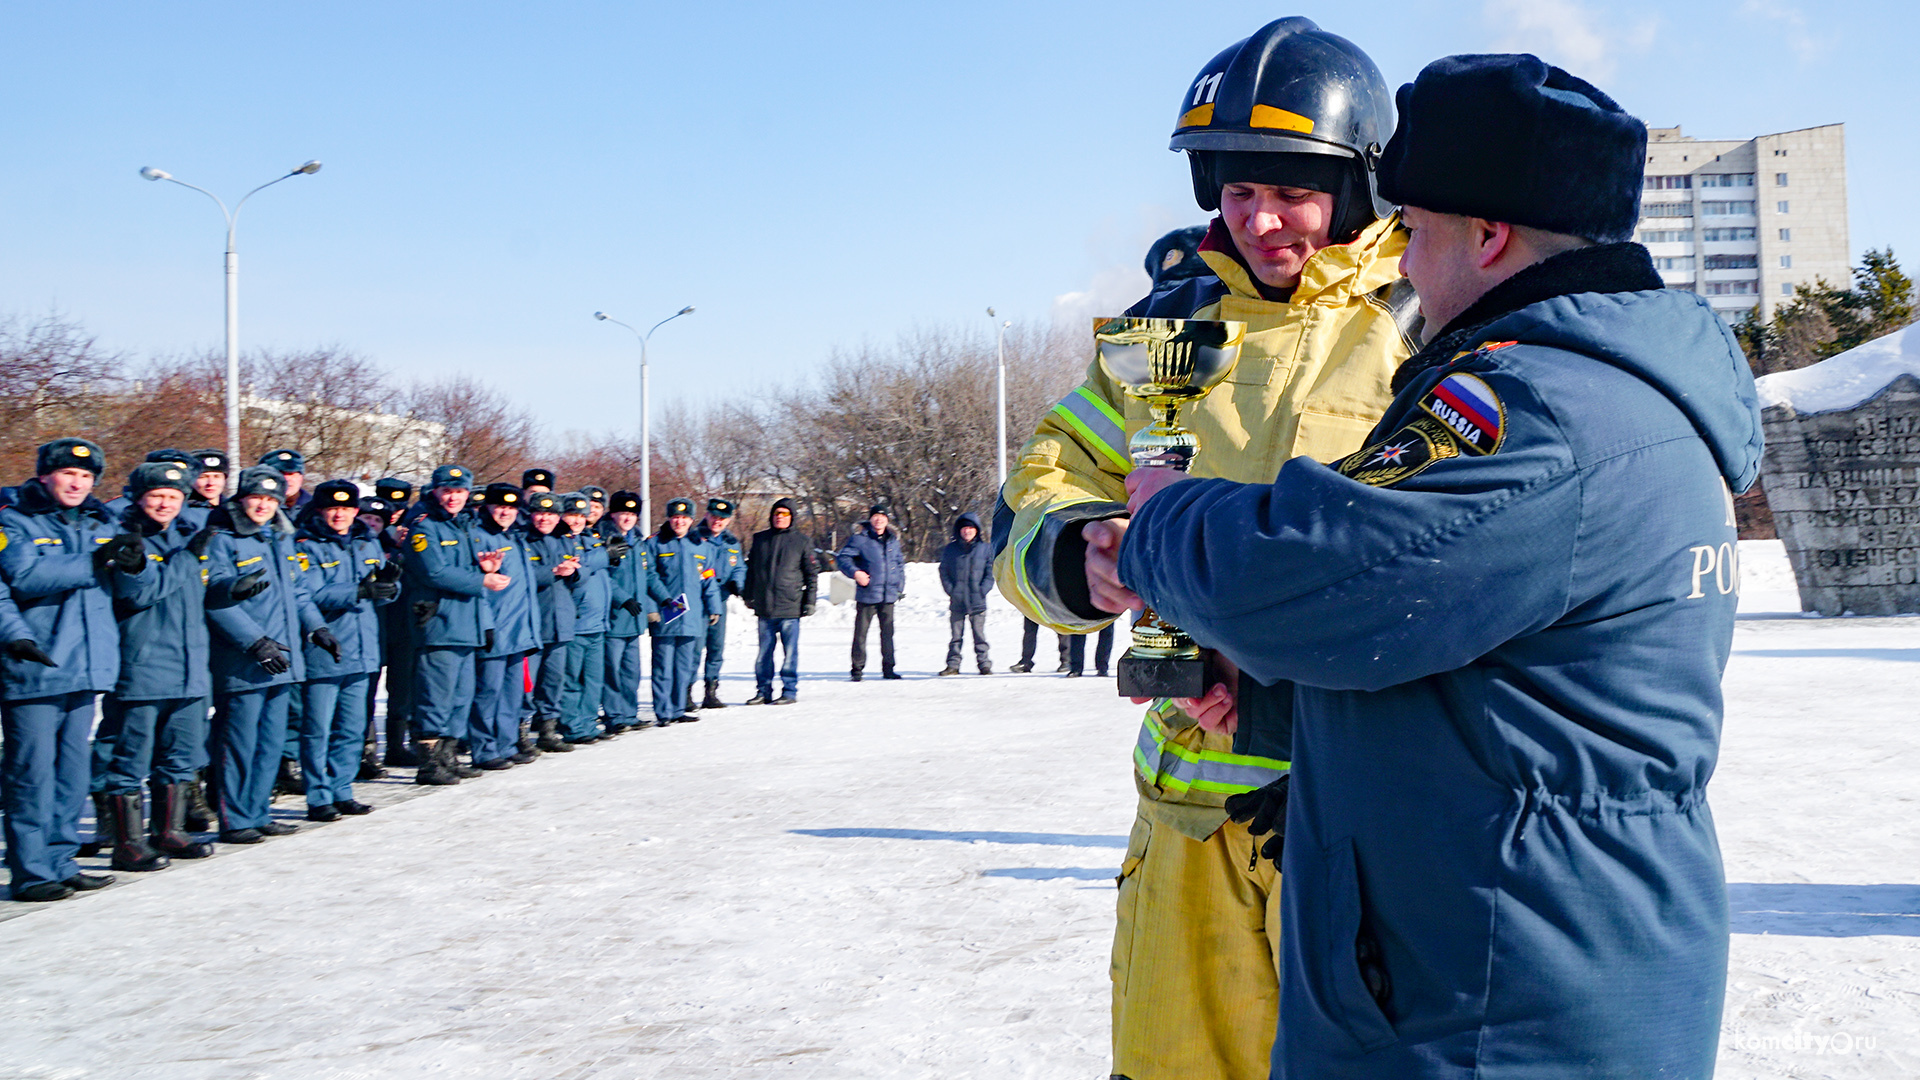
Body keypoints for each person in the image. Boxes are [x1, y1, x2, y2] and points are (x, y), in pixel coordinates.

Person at [1118, 53, 1761, 1078]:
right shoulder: (1608, 397)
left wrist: (1161, 514)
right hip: (1515, 951)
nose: (1404, 263)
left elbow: (1321, 580)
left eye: (1413, 232)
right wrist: (1271, 703)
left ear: (1489, 235)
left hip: (1496, 997)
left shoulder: (1538, 412)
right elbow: (1496, 667)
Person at [990, 19, 1416, 1080]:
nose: (1262, 220)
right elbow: (1040, 486)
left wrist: (1265, 662)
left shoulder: (1422, 317)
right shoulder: (1169, 330)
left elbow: (1441, 555)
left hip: (1361, 813)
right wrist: (1075, 550)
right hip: (1187, 811)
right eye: (1235, 192)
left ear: (1357, 187)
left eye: (1294, 192)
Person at [0, 439, 133, 901]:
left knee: (71, 774)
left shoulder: (102, 521)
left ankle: (60, 859)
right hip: (35, 670)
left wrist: (132, 565)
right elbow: (23, 576)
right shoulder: (13, 520)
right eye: (67, 474)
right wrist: (94, 560)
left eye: (86, 476)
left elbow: (122, 586)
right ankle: (32, 873)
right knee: (31, 775)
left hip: (86, 666)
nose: (78, 483)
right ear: (44, 476)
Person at [96, 461, 233, 870]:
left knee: (180, 756)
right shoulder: (127, 539)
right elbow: (140, 593)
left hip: (191, 668)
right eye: (156, 496)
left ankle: (168, 831)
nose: (165, 504)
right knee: (130, 758)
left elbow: (200, 596)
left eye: (173, 497)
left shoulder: (186, 536)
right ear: (139, 498)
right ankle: (127, 842)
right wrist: (188, 560)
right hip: (144, 668)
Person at [203, 466, 334, 843]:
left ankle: (258, 811)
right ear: (241, 499)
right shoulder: (222, 540)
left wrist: (316, 627)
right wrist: (255, 642)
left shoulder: (280, 538)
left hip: (283, 658)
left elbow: (299, 593)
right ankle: (235, 818)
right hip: (244, 661)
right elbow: (216, 601)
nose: (263, 505)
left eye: (270, 499)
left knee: (270, 742)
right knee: (239, 743)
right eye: (256, 497)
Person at [292, 480, 392, 819]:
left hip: (363, 648)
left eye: (347, 508)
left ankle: (342, 788)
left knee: (351, 727)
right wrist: (360, 591)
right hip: (326, 648)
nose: (340, 514)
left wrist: (390, 585)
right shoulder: (306, 544)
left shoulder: (367, 541)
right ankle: (319, 796)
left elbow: (381, 588)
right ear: (320, 510)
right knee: (319, 728)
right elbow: (311, 593)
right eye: (333, 508)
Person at [400, 464, 499, 784]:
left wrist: (482, 567)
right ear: (434, 491)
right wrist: (482, 578)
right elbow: (434, 572)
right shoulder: (423, 526)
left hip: (465, 622)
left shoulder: (463, 525)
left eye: (459, 491)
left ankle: (448, 754)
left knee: (460, 695)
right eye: (447, 490)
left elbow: (461, 567)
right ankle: (429, 763)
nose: (453, 496)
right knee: (435, 695)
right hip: (439, 621)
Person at [468, 482, 542, 768]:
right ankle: (484, 749)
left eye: (511, 508)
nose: (505, 512)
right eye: (500, 506)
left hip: (519, 629)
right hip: (495, 630)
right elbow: (480, 588)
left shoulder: (515, 537)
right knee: (488, 693)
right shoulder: (479, 537)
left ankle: (507, 743)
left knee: (512, 692)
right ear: (487, 507)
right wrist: (485, 625)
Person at [643, 498, 718, 724]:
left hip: (692, 614)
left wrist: (714, 607)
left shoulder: (702, 546)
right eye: (675, 517)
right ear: (669, 518)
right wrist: (653, 606)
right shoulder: (655, 544)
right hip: (665, 612)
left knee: (684, 666)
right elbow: (648, 577)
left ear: (692, 520)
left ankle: (678, 709)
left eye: (684, 518)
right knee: (663, 666)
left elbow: (708, 578)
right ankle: (664, 712)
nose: (679, 521)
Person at [520, 490, 580, 752]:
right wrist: (553, 572)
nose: (545, 519)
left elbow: (582, 573)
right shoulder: (521, 539)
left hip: (561, 623)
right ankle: (520, 733)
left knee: (554, 682)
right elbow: (521, 575)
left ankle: (548, 730)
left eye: (550, 514)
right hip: (532, 624)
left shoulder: (565, 541)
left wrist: (575, 573)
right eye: (540, 513)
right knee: (527, 684)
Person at [741, 497, 814, 705]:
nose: (780, 518)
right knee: (763, 654)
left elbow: (811, 574)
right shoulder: (760, 539)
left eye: (784, 515)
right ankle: (763, 691)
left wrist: (809, 601)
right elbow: (751, 570)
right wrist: (748, 595)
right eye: (776, 514)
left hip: (790, 607)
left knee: (790, 653)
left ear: (792, 517)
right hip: (765, 607)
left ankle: (789, 691)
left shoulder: (802, 541)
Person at [560, 492, 613, 741]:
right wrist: (602, 557)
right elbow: (576, 572)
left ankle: (588, 722)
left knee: (593, 680)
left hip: (597, 623)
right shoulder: (561, 541)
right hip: (576, 623)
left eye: (581, 516)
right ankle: (573, 725)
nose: (577, 520)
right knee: (572, 680)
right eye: (572, 515)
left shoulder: (591, 541)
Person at [835, 504, 905, 681]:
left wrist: (899, 586)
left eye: (883, 516)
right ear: (870, 518)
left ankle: (889, 668)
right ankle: (857, 669)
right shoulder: (860, 539)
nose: (879, 519)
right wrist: (856, 573)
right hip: (868, 594)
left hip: (888, 594)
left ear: (887, 520)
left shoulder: (892, 540)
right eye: (876, 516)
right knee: (861, 633)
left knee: (888, 634)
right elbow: (843, 559)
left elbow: (899, 564)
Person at [600, 491, 648, 732]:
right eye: (623, 513)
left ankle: (629, 713)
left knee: (632, 671)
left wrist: (665, 598)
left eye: (632, 513)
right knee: (612, 670)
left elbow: (648, 574)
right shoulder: (604, 538)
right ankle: (613, 715)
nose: (628, 518)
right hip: (615, 616)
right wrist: (623, 598)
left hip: (634, 618)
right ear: (612, 514)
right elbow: (604, 576)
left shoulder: (639, 541)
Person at [691, 497, 745, 709]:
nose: (717, 521)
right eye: (714, 516)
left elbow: (739, 566)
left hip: (720, 600)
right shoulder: (694, 538)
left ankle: (710, 692)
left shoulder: (731, 542)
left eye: (722, 518)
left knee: (715, 648)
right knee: (694, 649)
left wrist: (738, 583)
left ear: (729, 520)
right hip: (698, 602)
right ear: (706, 515)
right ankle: (685, 692)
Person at [937, 511, 993, 676]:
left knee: (979, 636)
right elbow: (943, 571)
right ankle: (953, 665)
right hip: (957, 600)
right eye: (964, 528)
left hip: (977, 600)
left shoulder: (985, 549)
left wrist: (982, 590)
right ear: (959, 531)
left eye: (970, 528)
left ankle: (984, 664)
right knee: (955, 636)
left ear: (976, 530)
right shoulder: (950, 549)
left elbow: (991, 573)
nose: (967, 531)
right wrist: (951, 591)